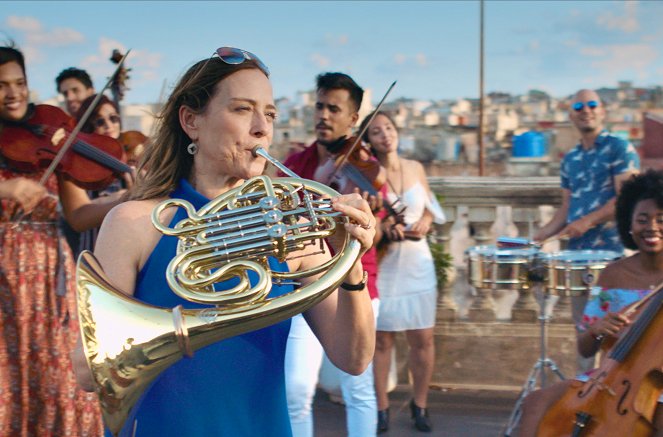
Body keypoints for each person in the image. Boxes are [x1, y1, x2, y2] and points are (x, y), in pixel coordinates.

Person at [73, 47, 377, 437]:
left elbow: (353, 358)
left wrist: (350, 261)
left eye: (269, 113)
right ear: (191, 120)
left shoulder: (292, 226)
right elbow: (86, 370)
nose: (261, 128)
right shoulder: (134, 222)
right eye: (241, 109)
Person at [0, 43, 106, 436]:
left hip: (48, 275)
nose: (13, 93)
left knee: (59, 375)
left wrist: (128, 198)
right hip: (3, 275)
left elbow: (78, 214)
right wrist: (6, 192)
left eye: (19, 82)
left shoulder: (47, 139)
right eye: (1, 85)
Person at [519, 169, 663, 436]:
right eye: (643, 219)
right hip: (610, 378)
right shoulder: (613, 274)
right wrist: (597, 330)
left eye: (661, 219)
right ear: (629, 225)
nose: (652, 227)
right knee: (535, 402)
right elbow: (585, 349)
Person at [281, 72, 382, 437]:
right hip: (307, 284)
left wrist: (366, 219)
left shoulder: (364, 167)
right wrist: (320, 183)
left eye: (334, 109)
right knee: (295, 389)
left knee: (358, 389)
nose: (323, 115)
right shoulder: (295, 163)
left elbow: (380, 231)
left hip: (357, 281)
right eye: (320, 106)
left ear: (353, 119)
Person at [360, 111, 445, 433]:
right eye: (377, 131)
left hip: (418, 263)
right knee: (382, 341)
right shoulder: (368, 175)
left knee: (423, 338)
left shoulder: (415, 168)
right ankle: (381, 408)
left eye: (389, 128)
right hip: (387, 263)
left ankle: (420, 404)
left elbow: (429, 206)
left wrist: (426, 219)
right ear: (369, 140)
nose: (386, 135)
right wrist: (384, 226)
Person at [534, 89, 640, 254]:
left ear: (602, 112)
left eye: (592, 105)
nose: (586, 110)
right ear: (571, 117)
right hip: (577, 253)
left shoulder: (619, 148)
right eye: (578, 107)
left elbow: (626, 199)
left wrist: (587, 221)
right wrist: (541, 235)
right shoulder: (570, 158)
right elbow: (567, 207)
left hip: (613, 251)